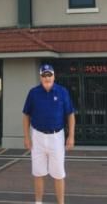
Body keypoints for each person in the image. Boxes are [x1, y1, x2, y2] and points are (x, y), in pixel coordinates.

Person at [22, 64, 75, 204]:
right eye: (44, 75)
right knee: (38, 173)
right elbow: (26, 115)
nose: (47, 77)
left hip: (57, 137)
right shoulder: (33, 93)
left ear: (54, 76)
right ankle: (38, 202)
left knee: (58, 174)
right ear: (40, 77)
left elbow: (70, 114)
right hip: (37, 137)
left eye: (49, 74)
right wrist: (27, 137)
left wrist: (71, 136)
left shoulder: (62, 92)